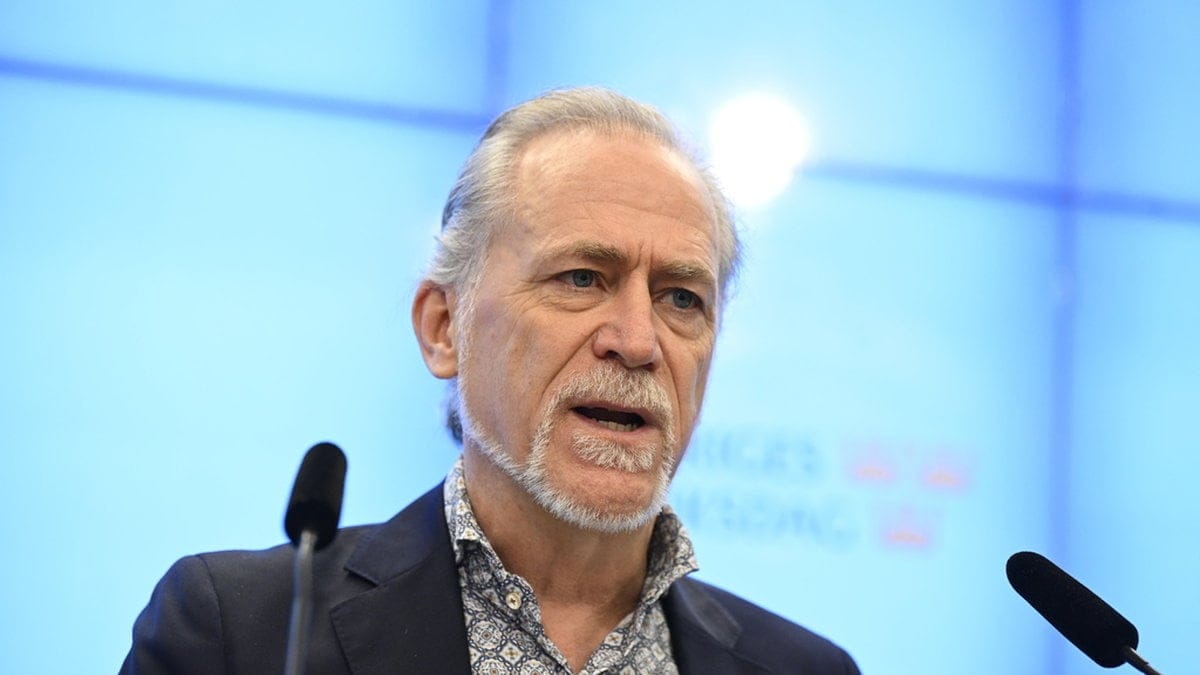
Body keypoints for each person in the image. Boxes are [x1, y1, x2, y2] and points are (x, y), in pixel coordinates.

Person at [121, 87, 860, 674]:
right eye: (582, 277)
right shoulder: (239, 634)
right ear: (445, 326)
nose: (638, 342)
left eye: (681, 298)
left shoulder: (806, 669)